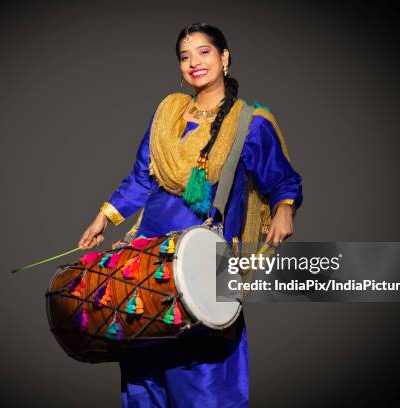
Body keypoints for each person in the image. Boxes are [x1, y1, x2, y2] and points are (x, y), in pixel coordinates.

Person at [78, 22, 303, 408]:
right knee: (144, 372)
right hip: (146, 263)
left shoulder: (250, 123)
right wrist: (104, 216)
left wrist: (284, 210)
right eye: (185, 56)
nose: (194, 62)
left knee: (203, 379)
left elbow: (283, 181)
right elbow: (141, 178)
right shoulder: (168, 115)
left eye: (204, 52)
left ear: (224, 58)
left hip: (205, 265)